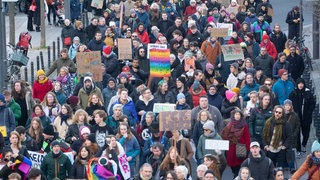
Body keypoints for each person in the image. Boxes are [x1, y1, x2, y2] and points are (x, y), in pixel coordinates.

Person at [289, 78, 315, 154]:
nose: (300, 85)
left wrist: (308, 112)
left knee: (306, 133)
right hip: (297, 117)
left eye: (302, 84)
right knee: (297, 134)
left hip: (306, 117)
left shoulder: (308, 93)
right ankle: (298, 149)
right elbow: (290, 103)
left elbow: (312, 104)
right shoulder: (293, 93)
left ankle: (304, 144)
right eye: (299, 84)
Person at [221, 109, 250, 177]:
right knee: (232, 165)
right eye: (236, 114)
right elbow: (224, 135)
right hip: (231, 148)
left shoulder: (244, 125)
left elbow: (247, 137)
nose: (237, 116)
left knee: (240, 165)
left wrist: (248, 148)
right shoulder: (229, 124)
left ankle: (237, 176)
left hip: (241, 147)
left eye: (239, 114)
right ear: (233, 115)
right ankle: (235, 174)